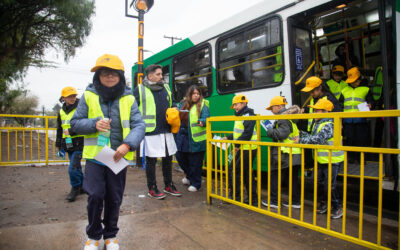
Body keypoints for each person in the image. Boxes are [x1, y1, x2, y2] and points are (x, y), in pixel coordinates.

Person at [71, 54, 145, 250]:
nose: (109, 77)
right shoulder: (88, 95)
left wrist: (127, 145)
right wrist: (94, 124)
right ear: (98, 77)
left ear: (120, 76)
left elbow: (139, 125)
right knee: (95, 195)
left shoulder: (129, 97)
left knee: (114, 197)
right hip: (96, 156)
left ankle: (111, 235)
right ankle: (93, 236)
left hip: (119, 156)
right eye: (105, 74)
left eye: (114, 74)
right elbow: (75, 124)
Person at [133, 64, 182, 199]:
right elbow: (133, 109)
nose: (162, 77)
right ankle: (152, 187)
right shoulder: (140, 89)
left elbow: (173, 103)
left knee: (167, 159)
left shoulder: (166, 87)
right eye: (158, 74)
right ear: (150, 76)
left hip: (166, 129)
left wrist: (175, 109)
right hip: (150, 132)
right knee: (151, 161)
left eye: (161, 74)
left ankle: (168, 185)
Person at [295, 99, 344, 219]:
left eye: (317, 110)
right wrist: (302, 133)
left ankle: (337, 207)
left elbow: (317, 140)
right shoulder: (319, 123)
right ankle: (324, 203)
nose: (314, 112)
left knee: (329, 186)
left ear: (326, 112)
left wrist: (300, 140)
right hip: (322, 160)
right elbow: (313, 137)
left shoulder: (330, 125)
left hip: (332, 160)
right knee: (315, 181)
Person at [262, 96, 301, 208]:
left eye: (272, 108)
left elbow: (281, 134)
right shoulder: (290, 117)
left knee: (276, 175)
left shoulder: (283, 118)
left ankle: (274, 201)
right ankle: (295, 201)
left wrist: (269, 129)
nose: (271, 111)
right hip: (293, 152)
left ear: (279, 106)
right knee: (292, 178)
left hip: (284, 153)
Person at [223, 95, 257, 205]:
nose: (234, 107)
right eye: (234, 106)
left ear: (243, 104)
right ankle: (252, 198)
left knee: (234, 170)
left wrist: (236, 144)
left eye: (236, 105)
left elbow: (247, 133)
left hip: (247, 148)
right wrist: (228, 137)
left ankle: (235, 196)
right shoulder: (242, 115)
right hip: (244, 147)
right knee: (245, 172)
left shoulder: (247, 115)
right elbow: (240, 132)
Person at [175, 85, 210, 192]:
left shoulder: (203, 104)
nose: (196, 96)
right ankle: (190, 176)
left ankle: (196, 183)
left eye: (198, 94)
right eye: (194, 93)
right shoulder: (182, 103)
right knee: (180, 157)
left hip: (196, 140)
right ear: (189, 94)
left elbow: (206, 117)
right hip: (182, 137)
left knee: (195, 162)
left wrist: (203, 121)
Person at [55, 86, 84, 202]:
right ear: (63, 98)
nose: (72, 98)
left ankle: (75, 187)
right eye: (70, 96)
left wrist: (71, 131)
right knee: (76, 166)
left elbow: (83, 124)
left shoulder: (80, 108)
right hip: (67, 142)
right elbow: (59, 128)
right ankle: (82, 186)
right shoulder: (62, 111)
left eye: (74, 96)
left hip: (79, 142)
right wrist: (58, 143)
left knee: (73, 168)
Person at [339, 66, 372, 163]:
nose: (354, 82)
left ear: (359, 79)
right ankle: (352, 158)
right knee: (350, 139)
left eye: (356, 80)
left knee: (361, 140)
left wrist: (371, 105)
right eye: (352, 81)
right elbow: (340, 104)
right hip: (348, 120)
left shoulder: (366, 89)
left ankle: (361, 158)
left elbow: (372, 101)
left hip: (361, 120)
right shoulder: (344, 91)